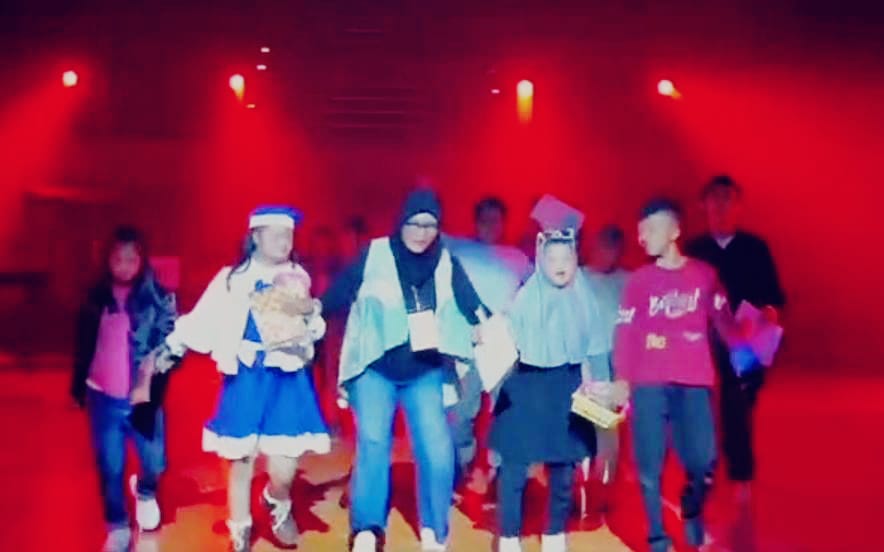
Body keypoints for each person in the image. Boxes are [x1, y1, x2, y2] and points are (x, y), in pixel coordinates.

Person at [138, 206, 330, 552]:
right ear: (255, 237)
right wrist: (171, 348)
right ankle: (239, 527)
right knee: (241, 457)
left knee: (284, 465)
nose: (284, 242)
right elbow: (202, 318)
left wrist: (311, 319)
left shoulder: (297, 277)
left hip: (286, 378)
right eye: (276, 235)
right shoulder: (232, 279)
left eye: (288, 235)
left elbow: (311, 326)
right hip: (247, 376)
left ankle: (277, 499)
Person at [322, 189, 485, 552]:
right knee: (373, 442)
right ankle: (367, 528)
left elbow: (472, 304)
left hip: (424, 370)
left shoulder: (446, 261)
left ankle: (434, 530)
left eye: (430, 225)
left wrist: (482, 324)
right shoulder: (376, 253)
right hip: (375, 367)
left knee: (437, 450)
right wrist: (311, 312)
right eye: (415, 223)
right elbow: (339, 292)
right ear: (401, 222)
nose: (422, 232)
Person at [614, 198, 750, 551]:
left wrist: (745, 352)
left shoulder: (704, 275)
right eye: (640, 231)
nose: (642, 237)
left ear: (674, 231)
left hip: (695, 381)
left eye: (651, 229)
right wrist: (622, 379)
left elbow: (724, 320)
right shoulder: (638, 282)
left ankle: (693, 505)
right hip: (648, 383)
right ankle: (657, 538)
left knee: (705, 459)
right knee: (649, 465)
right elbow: (626, 333)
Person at [489, 200, 609, 552]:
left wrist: (600, 386)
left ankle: (554, 533)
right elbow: (503, 342)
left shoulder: (584, 299)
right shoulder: (525, 298)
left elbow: (595, 345)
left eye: (566, 259)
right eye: (552, 259)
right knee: (514, 466)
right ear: (541, 260)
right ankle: (509, 536)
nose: (560, 266)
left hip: (567, 387)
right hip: (526, 386)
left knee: (563, 466)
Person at [71, 226, 176, 552]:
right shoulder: (94, 297)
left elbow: (172, 341)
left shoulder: (157, 298)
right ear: (107, 260)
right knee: (110, 465)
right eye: (118, 259)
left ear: (142, 260)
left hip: (143, 399)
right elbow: (82, 343)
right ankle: (116, 526)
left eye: (132, 259)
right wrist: (78, 385)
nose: (125, 266)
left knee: (154, 461)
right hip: (103, 397)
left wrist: (160, 365)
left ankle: (145, 490)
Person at [686, 175, 785, 495]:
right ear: (703, 205)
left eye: (727, 198)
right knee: (703, 409)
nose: (721, 205)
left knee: (738, 406)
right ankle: (705, 470)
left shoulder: (756, 248)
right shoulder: (693, 251)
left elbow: (773, 299)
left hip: (747, 343)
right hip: (704, 344)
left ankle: (741, 477)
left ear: (739, 205)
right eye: (714, 198)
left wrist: (764, 316)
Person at [443, 197, 530, 490]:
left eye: (497, 220)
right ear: (475, 221)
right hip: (464, 342)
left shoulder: (517, 257)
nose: (491, 225)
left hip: (503, 345)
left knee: (505, 412)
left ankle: (499, 472)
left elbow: (542, 288)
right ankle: (461, 464)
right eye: (485, 219)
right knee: (459, 414)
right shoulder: (458, 248)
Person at [580, 224, 630, 505]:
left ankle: (604, 486)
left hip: (618, 358)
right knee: (586, 422)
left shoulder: (627, 280)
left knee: (607, 425)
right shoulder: (578, 277)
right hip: (587, 358)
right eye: (604, 244)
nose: (608, 252)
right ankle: (579, 484)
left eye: (614, 247)